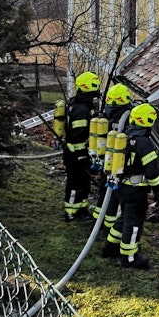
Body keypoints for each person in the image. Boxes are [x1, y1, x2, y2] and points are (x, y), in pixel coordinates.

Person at [100, 102, 159, 268]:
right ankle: (129, 258)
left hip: (121, 187)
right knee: (134, 223)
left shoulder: (124, 136)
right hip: (136, 190)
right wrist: (158, 191)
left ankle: (110, 247)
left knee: (124, 218)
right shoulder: (145, 143)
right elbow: (152, 172)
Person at [91, 82, 133, 229]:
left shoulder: (107, 112)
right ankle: (111, 224)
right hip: (120, 163)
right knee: (116, 195)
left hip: (105, 160)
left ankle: (97, 220)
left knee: (103, 189)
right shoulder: (128, 114)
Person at [62, 70, 100, 222]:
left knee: (84, 183)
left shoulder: (77, 103)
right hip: (76, 155)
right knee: (74, 183)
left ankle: (81, 209)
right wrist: (82, 156)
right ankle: (70, 212)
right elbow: (77, 136)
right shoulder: (82, 110)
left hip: (79, 153)